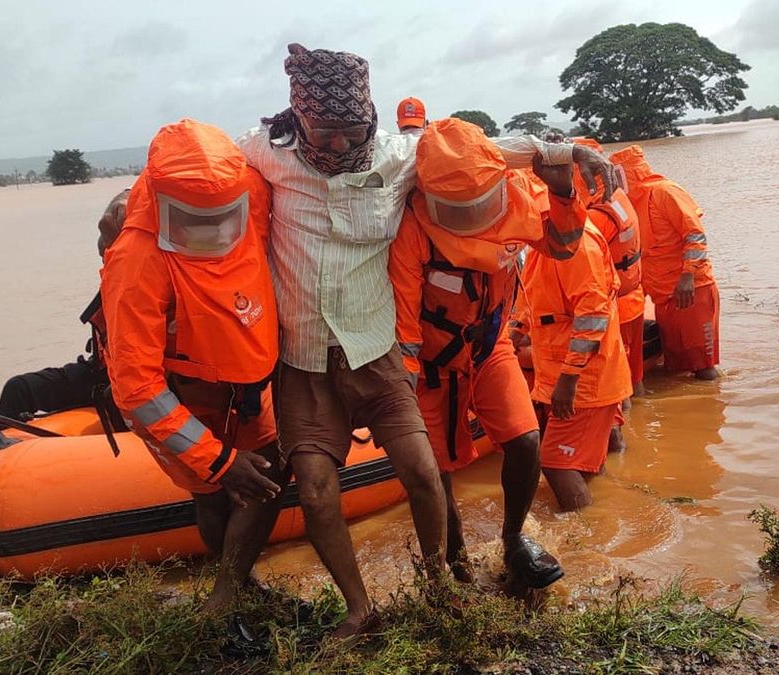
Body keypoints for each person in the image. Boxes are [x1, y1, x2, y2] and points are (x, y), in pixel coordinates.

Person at [237, 43, 615, 637]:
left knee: (515, 442)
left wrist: (569, 154)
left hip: (437, 349)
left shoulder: (403, 160)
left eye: (351, 131)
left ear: (371, 120)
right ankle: (436, 575)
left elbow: (487, 153)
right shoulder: (268, 155)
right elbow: (209, 171)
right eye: (324, 132)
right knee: (406, 472)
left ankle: (499, 547)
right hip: (337, 358)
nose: (338, 145)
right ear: (300, 119)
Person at [100, 119, 285, 631]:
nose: (213, 230)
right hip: (182, 395)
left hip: (246, 385)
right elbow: (137, 388)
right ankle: (227, 593)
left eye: (223, 216)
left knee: (270, 472)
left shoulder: (250, 191)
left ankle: (236, 583)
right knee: (212, 491)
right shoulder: (136, 260)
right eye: (194, 219)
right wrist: (219, 460)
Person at [389, 119, 586, 588]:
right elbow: (404, 326)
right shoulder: (412, 228)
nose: (472, 216)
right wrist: (403, 388)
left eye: (480, 204)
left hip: (490, 347)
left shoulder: (518, 194)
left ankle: (514, 539)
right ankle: (455, 563)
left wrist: (563, 194)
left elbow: (563, 246)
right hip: (433, 368)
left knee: (525, 441)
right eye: (458, 209)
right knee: (435, 471)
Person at [513, 190, 632, 511]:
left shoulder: (578, 247)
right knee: (577, 461)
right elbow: (534, 300)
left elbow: (593, 315)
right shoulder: (546, 246)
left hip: (584, 379)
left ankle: (585, 539)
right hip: (563, 372)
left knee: (555, 462)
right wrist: (515, 334)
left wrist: (569, 378)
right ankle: (603, 513)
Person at [0, 190, 129, 426]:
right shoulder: (114, 273)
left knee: (119, 403)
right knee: (19, 389)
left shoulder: (162, 273)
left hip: (137, 378)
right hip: (99, 371)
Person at [609, 145, 720, 380]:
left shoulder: (664, 192)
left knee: (703, 367)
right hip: (661, 295)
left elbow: (695, 235)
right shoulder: (627, 204)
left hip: (690, 290)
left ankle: (712, 407)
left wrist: (688, 275)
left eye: (617, 175)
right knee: (676, 366)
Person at [572, 137, 645, 409]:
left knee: (617, 387)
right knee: (634, 380)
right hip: (633, 297)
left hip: (615, 308)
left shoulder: (598, 214)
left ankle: (626, 441)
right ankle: (645, 426)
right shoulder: (619, 197)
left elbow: (580, 265)